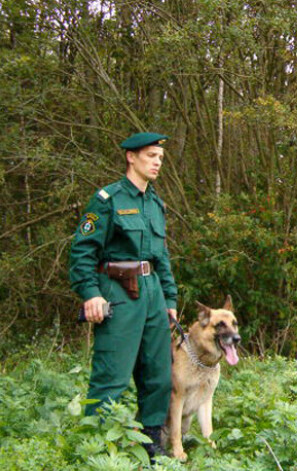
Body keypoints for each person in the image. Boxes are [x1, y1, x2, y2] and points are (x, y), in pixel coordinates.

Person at [69, 132, 177, 458]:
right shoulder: (108, 200)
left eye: (160, 157)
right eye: (150, 156)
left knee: (158, 375)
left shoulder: (155, 204)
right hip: (117, 290)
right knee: (111, 374)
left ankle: (152, 445)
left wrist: (170, 301)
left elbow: (162, 256)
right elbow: (82, 253)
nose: (157, 162)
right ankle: (97, 447)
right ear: (131, 157)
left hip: (153, 293)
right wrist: (90, 294)